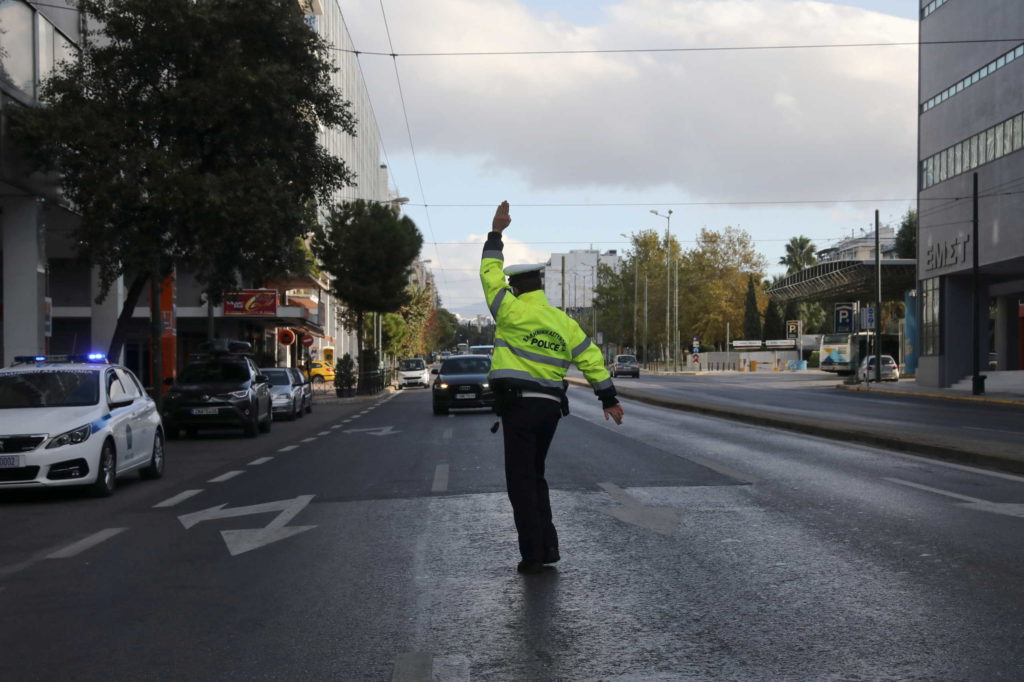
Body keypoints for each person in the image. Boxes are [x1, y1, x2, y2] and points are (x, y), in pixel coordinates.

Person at [481, 200, 625, 574]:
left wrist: (496, 233)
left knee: (521, 483)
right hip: (549, 411)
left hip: (518, 408)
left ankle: (533, 555)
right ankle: (547, 548)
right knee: (536, 476)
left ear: (515, 287)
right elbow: (591, 359)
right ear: (541, 285)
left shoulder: (508, 309)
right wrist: (608, 398)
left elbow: (488, 274)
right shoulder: (563, 322)